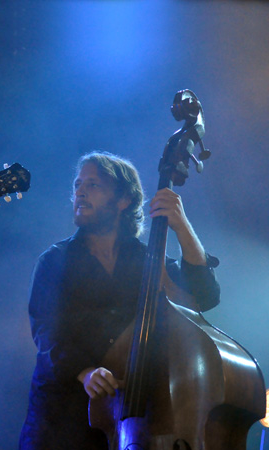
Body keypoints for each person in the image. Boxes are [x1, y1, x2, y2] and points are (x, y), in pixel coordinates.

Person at [18, 151, 220, 449]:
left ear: (124, 200)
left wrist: (181, 225)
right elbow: (47, 333)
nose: (80, 192)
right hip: (63, 420)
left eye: (93, 185)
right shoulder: (55, 261)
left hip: (131, 421)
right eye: (77, 185)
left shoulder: (148, 261)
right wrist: (85, 372)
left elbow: (205, 296)